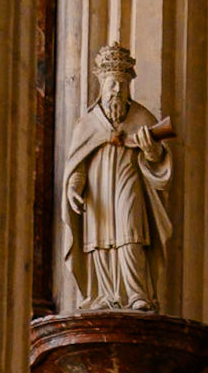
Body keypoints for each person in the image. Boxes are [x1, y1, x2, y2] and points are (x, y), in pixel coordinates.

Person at [61, 44, 174, 312]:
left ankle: (136, 293)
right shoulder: (86, 124)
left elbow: (158, 162)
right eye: (113, 84)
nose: (117, 91)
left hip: (128, 183)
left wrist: (150, 149)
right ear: (102, 84)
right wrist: (74, 187)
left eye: (123, 85)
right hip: (97, 193)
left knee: (130, 231)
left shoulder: (141, 117)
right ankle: (104, 294)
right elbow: (77, 163)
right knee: (99, 240)